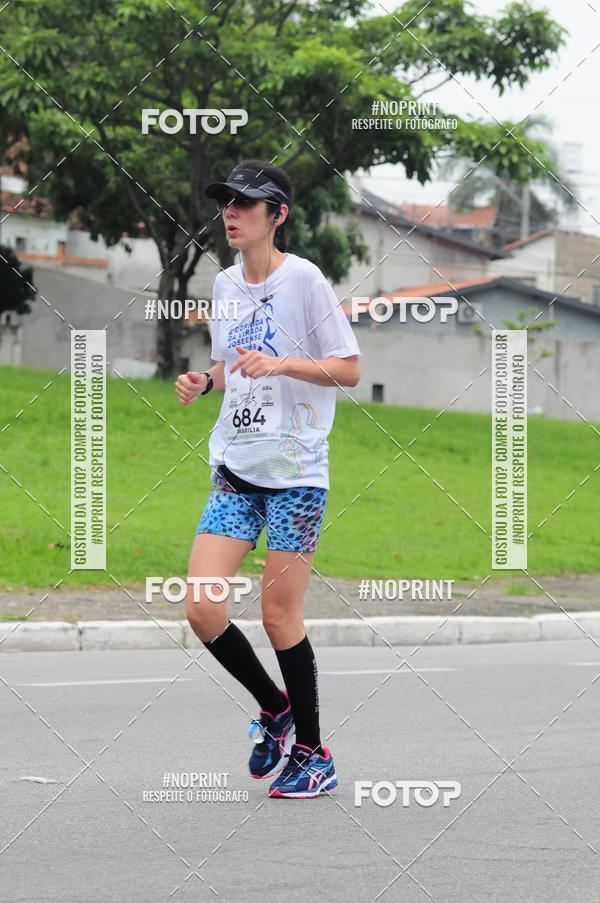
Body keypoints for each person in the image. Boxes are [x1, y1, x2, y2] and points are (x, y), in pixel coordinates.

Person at [175, 159, 361, 799]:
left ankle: (314, 753)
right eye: (226, 201)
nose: (231, 212)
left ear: (276, 215)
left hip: (296, 473)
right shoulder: (224, 284)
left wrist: (283, 362)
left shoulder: (304, 279)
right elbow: (232, 362)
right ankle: (273, 707)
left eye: (246, 204)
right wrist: (206, 380)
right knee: (201, 607)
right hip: (236, 467)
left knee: (280, 616)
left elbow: (348, 368)